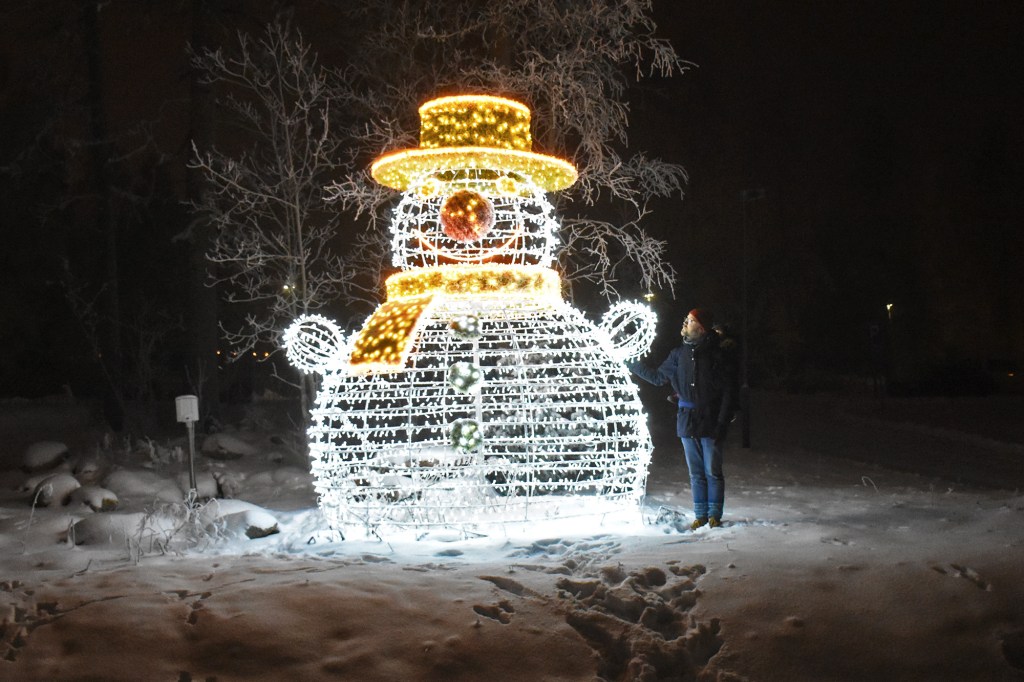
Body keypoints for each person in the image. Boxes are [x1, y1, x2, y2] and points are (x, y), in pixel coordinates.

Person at [629, 308, 738, 529]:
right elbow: (658, 377)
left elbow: (728, 391)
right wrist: (632, 364)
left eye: (689, 320)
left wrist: (721, 423)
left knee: (712, 471)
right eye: (686, 319)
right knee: (696, 473)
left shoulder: (716, 354)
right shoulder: (678, 354)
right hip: (687, 421)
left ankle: (714, 515)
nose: (684, 323)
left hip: (710, 421)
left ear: (700, 327)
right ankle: (701, 515)